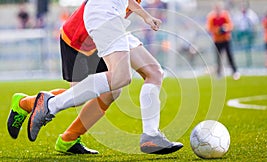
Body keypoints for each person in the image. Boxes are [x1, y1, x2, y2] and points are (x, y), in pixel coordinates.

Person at [9, 0, 183, 155]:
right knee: (91, 91)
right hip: (81, 33)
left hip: (109, 20)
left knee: (150, 74)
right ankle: (35, 104)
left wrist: (145, 16)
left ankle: (150, 136)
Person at [206, 1, 240, 80]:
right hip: (217, 40)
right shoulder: (211, 17)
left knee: (229, 56)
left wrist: (225, 28)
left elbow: (230, 25)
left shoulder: (225, 15)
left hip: (225, 39)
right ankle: (219, 72)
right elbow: (209, 28)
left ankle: (234, 71)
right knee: (218, 57)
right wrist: (218, 30)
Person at [231, 0, 259, 67]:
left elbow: (255, 24)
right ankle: (238, 44)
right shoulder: (238, 15)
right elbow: (234, 25)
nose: (243, 7)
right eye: (241, 5)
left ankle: (249, 61)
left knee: (248, 45)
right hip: (241, 32)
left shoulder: (251, 14)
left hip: (249, 32)